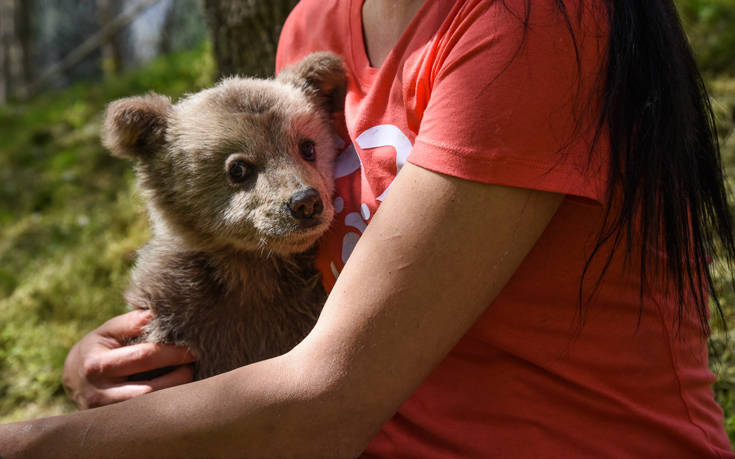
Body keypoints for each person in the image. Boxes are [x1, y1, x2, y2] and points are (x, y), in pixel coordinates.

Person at [2, 0, 734, 456]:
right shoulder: (314, 27)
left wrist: (32, 445)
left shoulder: (529, 21)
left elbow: (323, 402)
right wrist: (103, 363)